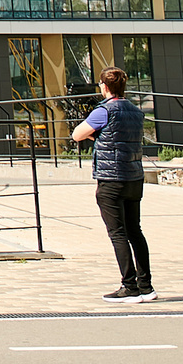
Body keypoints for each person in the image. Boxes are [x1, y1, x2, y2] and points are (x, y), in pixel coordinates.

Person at [70, 67, 153, 302]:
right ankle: (146, 284)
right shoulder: (136, 111)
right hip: (134, 177)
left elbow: (77, 134)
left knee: (117, 233)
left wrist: (95, 136)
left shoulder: (104, 111)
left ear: (104, 86)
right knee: (135, 231)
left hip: (111, 179)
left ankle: (129, 286)